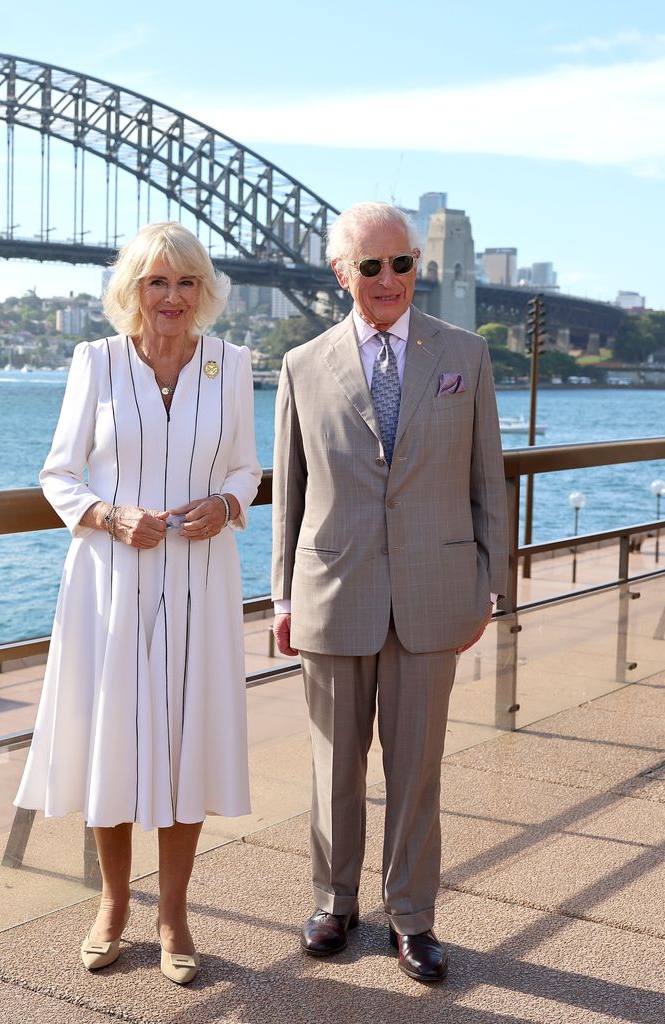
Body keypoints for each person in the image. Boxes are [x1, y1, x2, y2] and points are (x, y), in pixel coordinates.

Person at [15, 221, 261, 985]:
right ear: (133, 291)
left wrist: (228, 502)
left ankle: (175, 915)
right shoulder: (95, 362)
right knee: (112, 741)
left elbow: (250, 468)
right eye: (158, 282)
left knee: (187, 739)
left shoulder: (233, 364)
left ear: (204, 291)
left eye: (186, 282)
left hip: (199, 578)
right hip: (110, 580)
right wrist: (110, 515)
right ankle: (112, 907)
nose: (173, 297)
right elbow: (59, 474)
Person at [272, 201, 508, 983]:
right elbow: (293, 494)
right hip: (334, 590)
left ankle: (412, 916)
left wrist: (488, 586)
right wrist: (282, 598)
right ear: (342, 273)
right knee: (333, 764)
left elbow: (487, 483)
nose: (387, 280)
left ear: (418, 266)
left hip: (436, 591)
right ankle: (335, 902)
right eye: (369, 266)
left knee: (417, 768)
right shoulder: (303, 364)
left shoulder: (464, 355)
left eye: (400, 263)